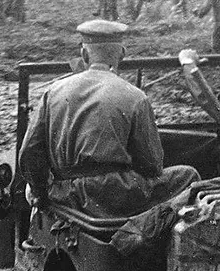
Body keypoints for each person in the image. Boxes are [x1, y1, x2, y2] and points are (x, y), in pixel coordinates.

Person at [19, 20, 200, 218]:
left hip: (64, 195)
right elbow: (152, 165)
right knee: (188, 175)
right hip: (114, 196)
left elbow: (30, 152)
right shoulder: (135, 96)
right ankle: (146, 231)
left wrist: (40, 192)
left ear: (84, 54)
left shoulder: (53, 91)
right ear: (121, 54)